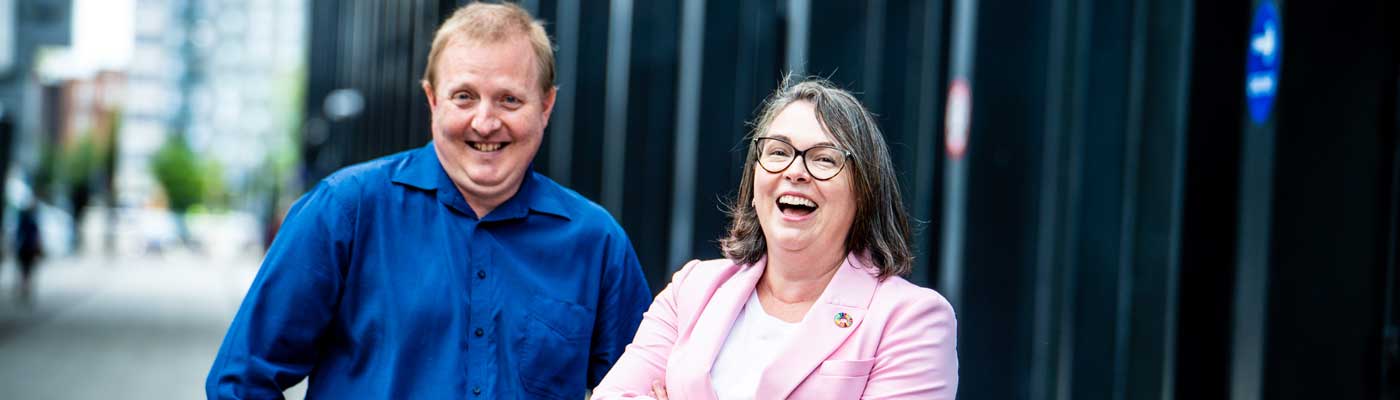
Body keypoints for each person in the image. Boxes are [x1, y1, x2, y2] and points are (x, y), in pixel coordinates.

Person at [207, 3, 652, 399]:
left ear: (547, 106)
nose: (485, 121)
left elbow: (644, 390)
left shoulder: (597, 243)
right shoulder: (345, 210)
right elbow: (241, 379)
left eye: (509, 100)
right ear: (433, 99)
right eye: (464, 96)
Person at [592, 78, 959, 399]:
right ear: (754, 183)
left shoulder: (912, 320)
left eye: (824, 159)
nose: (795, 172)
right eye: (778, 152)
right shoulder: (692, 289)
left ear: (864, 192)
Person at [14, 200, 42, 305]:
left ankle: (24, 288)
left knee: (25, 270)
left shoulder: (24, 220)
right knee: (27, 270)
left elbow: (18, 235)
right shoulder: (31, 220)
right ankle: (25, 289)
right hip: (28, 249)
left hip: (24, 248)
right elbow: (36, 236)